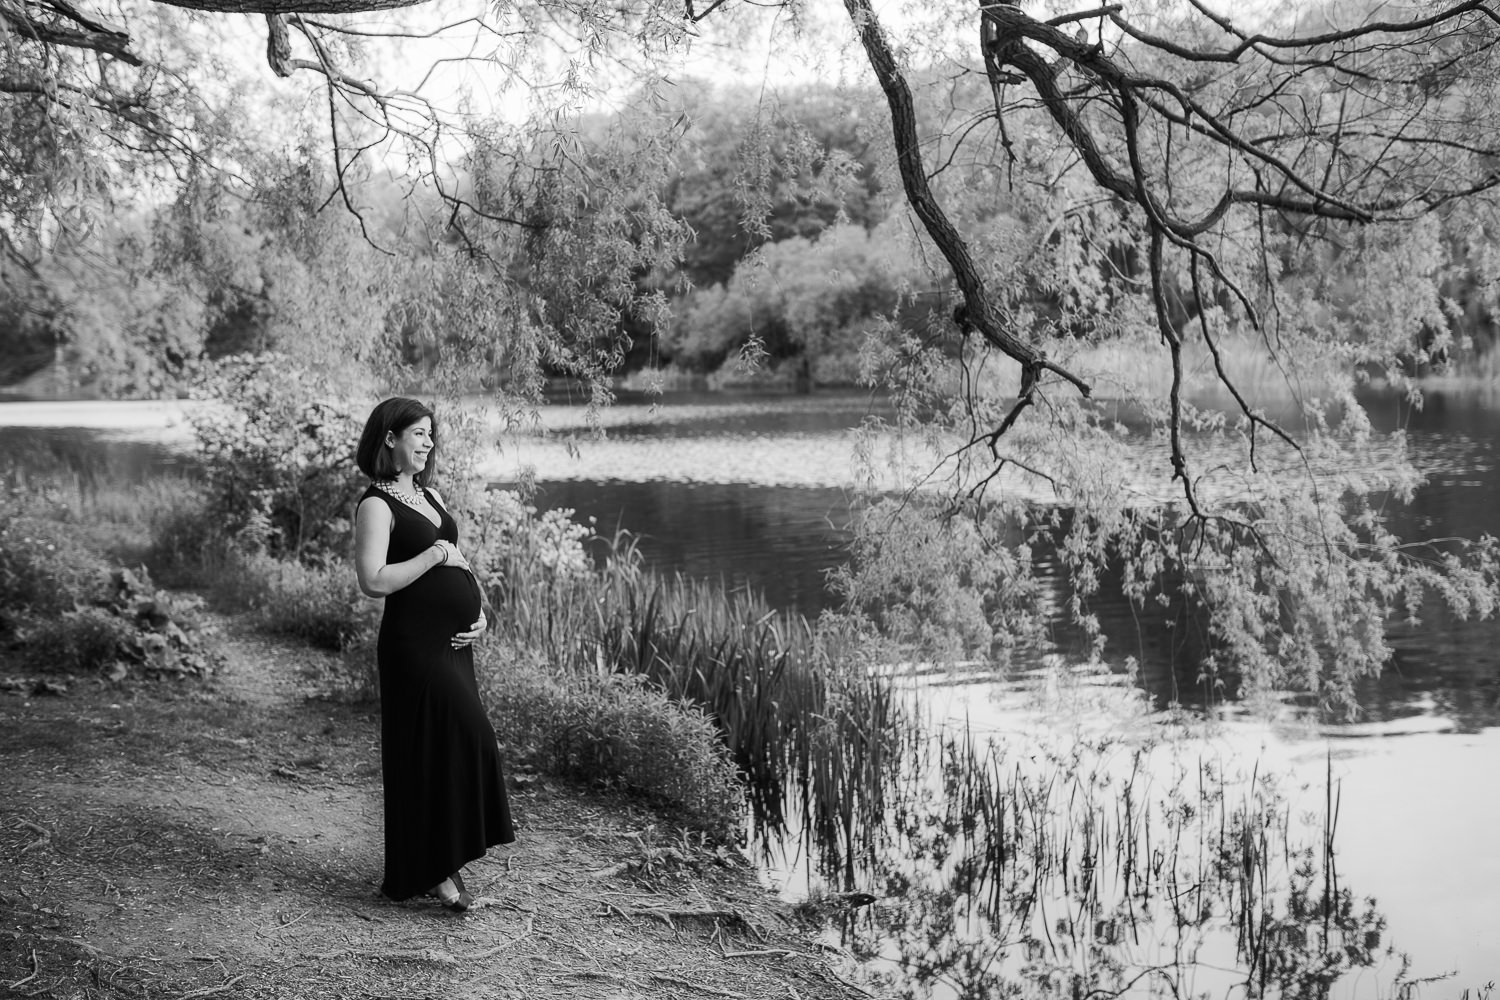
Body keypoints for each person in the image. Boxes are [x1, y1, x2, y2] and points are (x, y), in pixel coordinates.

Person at [353, 397, 515, 912]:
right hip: (413, 645)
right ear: (389, 438)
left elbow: (458, 561)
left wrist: (479, 612)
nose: (428, 442)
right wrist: (435, 554)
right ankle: (434, 870)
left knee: (454, 745)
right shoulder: (376, 506)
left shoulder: (431, 495)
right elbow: (373, 581)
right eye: (418, 433)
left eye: (430, 434)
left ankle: (440, 862)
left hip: (454, 645)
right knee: (444, 743)